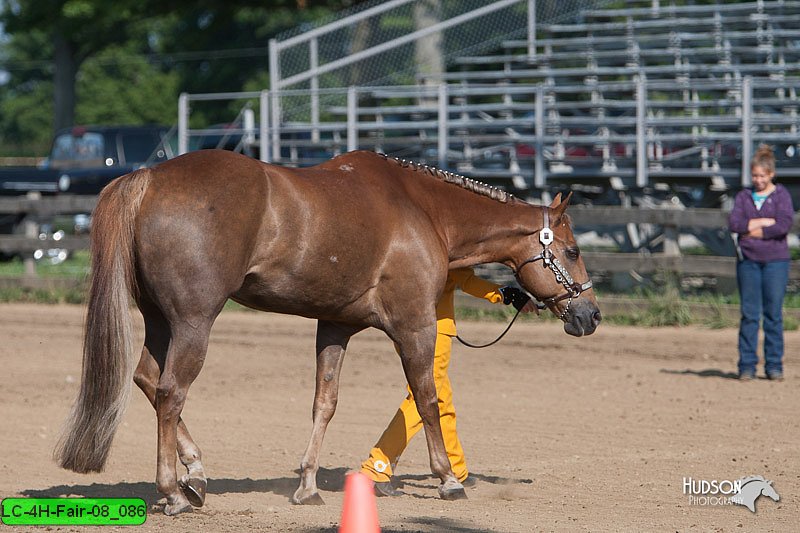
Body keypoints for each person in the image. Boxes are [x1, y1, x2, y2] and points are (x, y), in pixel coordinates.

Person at [360, 267, 536, 496]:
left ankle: (455, 467)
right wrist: (505, 294)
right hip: (434, 330)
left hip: (409, 326)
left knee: (441, 400)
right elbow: (466, 278)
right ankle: (377, 466)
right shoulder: (445, 239)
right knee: (421, 399)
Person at [728, 144, 794, 381]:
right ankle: (747, 364)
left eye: (762, 176)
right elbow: (734, 223)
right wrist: (763, 222)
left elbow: (783, 224)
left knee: (773, 314)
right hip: (748, 262)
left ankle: (774, 364)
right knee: (749, 314)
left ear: (771, 174)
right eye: (754, 175)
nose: (757, 180)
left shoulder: (781, 195)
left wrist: (753, 229)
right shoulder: (744, 196)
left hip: (776, 261)